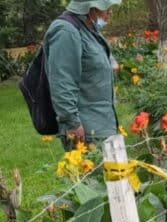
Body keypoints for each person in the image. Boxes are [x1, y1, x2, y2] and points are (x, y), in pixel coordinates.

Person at [45, 0, 121, 150]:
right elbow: (62, 82)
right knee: (96, 173)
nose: (110, 11)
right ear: (91, 7)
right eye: (106, 7)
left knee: (118, 172)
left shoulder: (89, 28)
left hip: (103, 123)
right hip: (86, 131)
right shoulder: (66, 31)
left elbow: (99, 59)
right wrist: (72, 123)